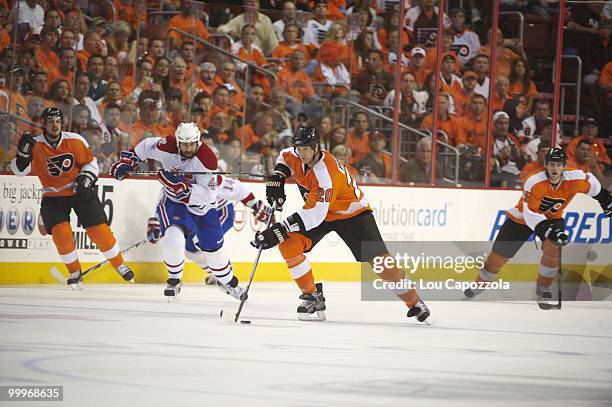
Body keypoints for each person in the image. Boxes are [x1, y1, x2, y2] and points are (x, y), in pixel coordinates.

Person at [252, 127, 431, 322]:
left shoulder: (326, 173)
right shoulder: (293, 154)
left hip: (352, 215)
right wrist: (279, 177)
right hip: (322, 212)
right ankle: (313, 296)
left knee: (382, 264)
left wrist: (279, 230)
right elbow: (283, 158)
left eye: (305, 149)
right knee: (288, 243)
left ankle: (414, 301)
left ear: (316, 147)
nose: (301, 153)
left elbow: (314, 215)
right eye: (299, 148)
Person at [110, 122, 247, 300]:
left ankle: (228, 282)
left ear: (198, 142)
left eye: (192, 144)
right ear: (178, 142)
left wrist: (183, 187)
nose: (188, 148)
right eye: (184, 144)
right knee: (173, 237)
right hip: (174, 202)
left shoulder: (207, 159)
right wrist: (129, 161)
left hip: (202, 207)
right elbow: (145, 146)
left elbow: (207, 195)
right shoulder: (166, 145)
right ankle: (174, 280)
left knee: (213, 249)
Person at [464, 148, 611, 305]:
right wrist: (550, 231)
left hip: (553, 218)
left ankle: (543, 288)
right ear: (545, 165)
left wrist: (607, 202)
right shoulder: (533, 181)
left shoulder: (577, 177)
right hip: (521, 219)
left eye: (558, 165)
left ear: (564, 166)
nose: (555, 169)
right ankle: (479, 285)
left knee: (553, 251)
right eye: (551, 164)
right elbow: (530, 214)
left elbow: (596, 188)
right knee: (496, 259)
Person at [10, 107, 135, 289]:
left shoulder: (75, 141)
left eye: (58, 121)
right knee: (61, 234)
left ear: (63, 124)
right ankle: (75, 272)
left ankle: (119, 264)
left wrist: (86, 178)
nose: (55, 125)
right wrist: (22, 154)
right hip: (53, 195)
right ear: (44, 124)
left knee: (99, 231)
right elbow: (18, 172)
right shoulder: (34, 145)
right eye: (51, 121)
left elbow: (90, 164)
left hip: (79, 190)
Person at [146, 175, 274, 287]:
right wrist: (159, 222)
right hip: (198, 215)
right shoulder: (173, 181)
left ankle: (223, 271)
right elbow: (164, 203)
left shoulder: (210, 180)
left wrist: (256, 205)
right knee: (190, 251)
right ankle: (218, 272)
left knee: (201, 242)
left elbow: (239, 189)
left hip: (221, 212)